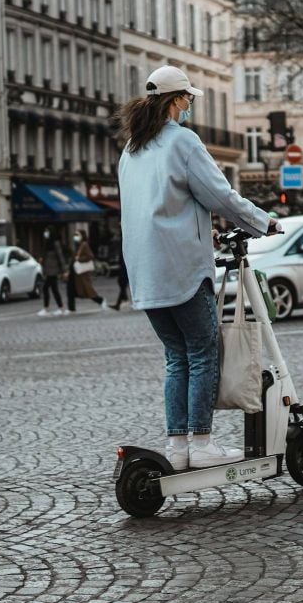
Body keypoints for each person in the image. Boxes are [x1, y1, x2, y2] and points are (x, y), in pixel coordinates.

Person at [118, 65, 277, 470]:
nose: (190, 105)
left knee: (177, 356)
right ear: (174, 101)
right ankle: (203, 443)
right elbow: (219, 196)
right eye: (187, 98)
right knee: (204, 351)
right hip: (181, 267)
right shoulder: (182, 142)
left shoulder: (132, 148)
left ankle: (178, 446)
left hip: (145, 270)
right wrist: (263, 222)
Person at [65, 229, 108, 313]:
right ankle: (71, 308)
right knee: (70, 290)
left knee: (87, 291)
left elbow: (90, 256)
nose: (75, 237)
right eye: (75, 235)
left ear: (82, 236)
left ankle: (101, 300)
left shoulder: (84, 245)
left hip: (81, 274)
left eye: (77, 235)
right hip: (74, 273)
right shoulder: (77, 245)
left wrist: (79, 259)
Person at [37, 228, 67, 316]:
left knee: (46, 288)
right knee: (54, 289)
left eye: (47, 232)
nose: (46, 233)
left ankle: (47, 308)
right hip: (48, 270)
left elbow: (60, 257)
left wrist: (64, 271)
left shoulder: (55, 244)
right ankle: (59, 308)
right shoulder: (47, 244)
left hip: (53, 271)